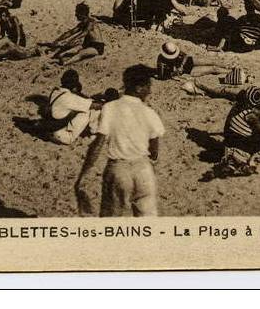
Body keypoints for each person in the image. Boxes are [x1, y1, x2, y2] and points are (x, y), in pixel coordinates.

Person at [75, 64, 164, 217]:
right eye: (148, 86)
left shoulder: (110, 108)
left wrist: (84, 172)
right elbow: (154, 150)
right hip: (144, 171)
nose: (150, 90)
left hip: (119, 169)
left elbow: (98, 145)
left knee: (112, 221)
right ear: (138, 88)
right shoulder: (150, 113)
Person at [45, 69, 104, 145]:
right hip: (60, 135)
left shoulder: (56, 92)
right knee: (88, 111)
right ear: (74, 85)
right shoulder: (70, 97)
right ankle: (79, 135)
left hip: (51, 129)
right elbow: (94, 106)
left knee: (77, 110)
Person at [155, 41, 228, 81]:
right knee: (213, 68)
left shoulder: (174, 50)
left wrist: (181, 65)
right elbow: (161, 77)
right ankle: (230, 72)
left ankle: (230, 66)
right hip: (188, 71)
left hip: (189, 61)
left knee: (212, 61)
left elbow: (185, 55)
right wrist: (175, 73)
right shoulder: (161, 61)